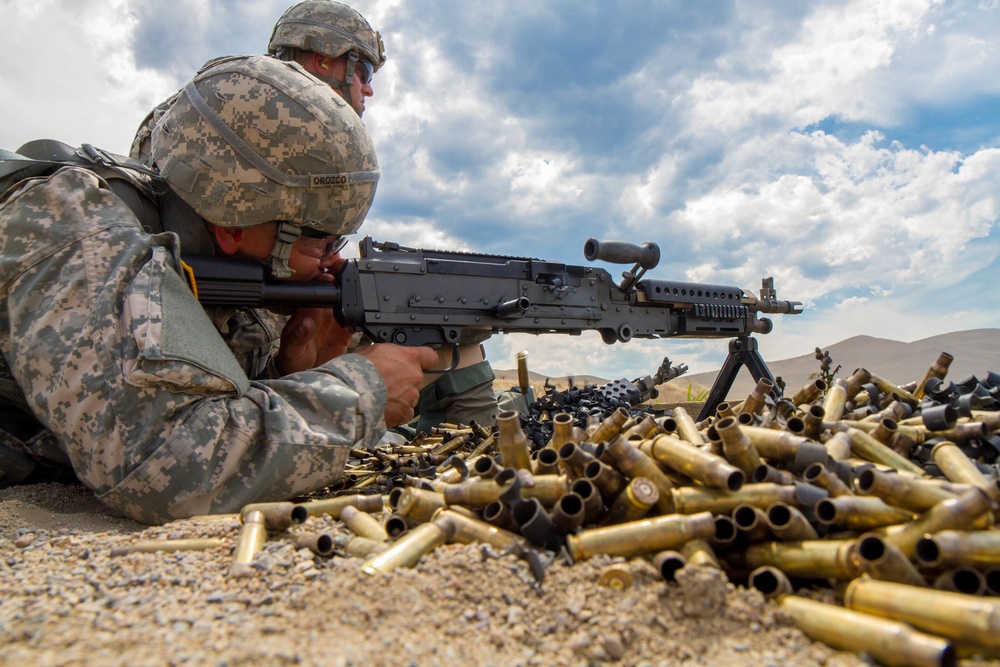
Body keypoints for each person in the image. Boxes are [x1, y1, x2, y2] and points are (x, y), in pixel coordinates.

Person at [0, 55, 438, 523]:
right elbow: (173, 470)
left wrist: (294, 371)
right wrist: (360, 393)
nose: (333, 260)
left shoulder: (209, 262)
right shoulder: (77, 229)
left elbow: (183, 396)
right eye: (322, 239)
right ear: (234, 225)